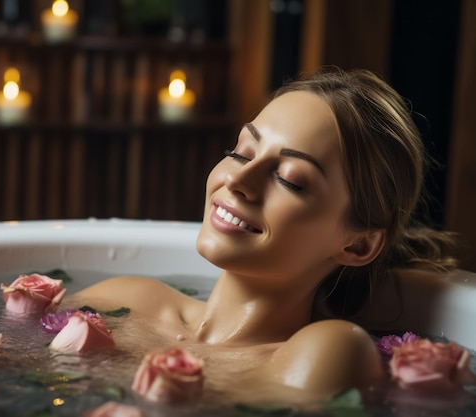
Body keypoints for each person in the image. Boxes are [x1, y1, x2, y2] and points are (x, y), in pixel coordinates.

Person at [73, 66, 457, 405]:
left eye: (289, 179)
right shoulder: (122, 300)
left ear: (358, 244)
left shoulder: (328, 351)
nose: (238, 180)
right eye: (241, 151)